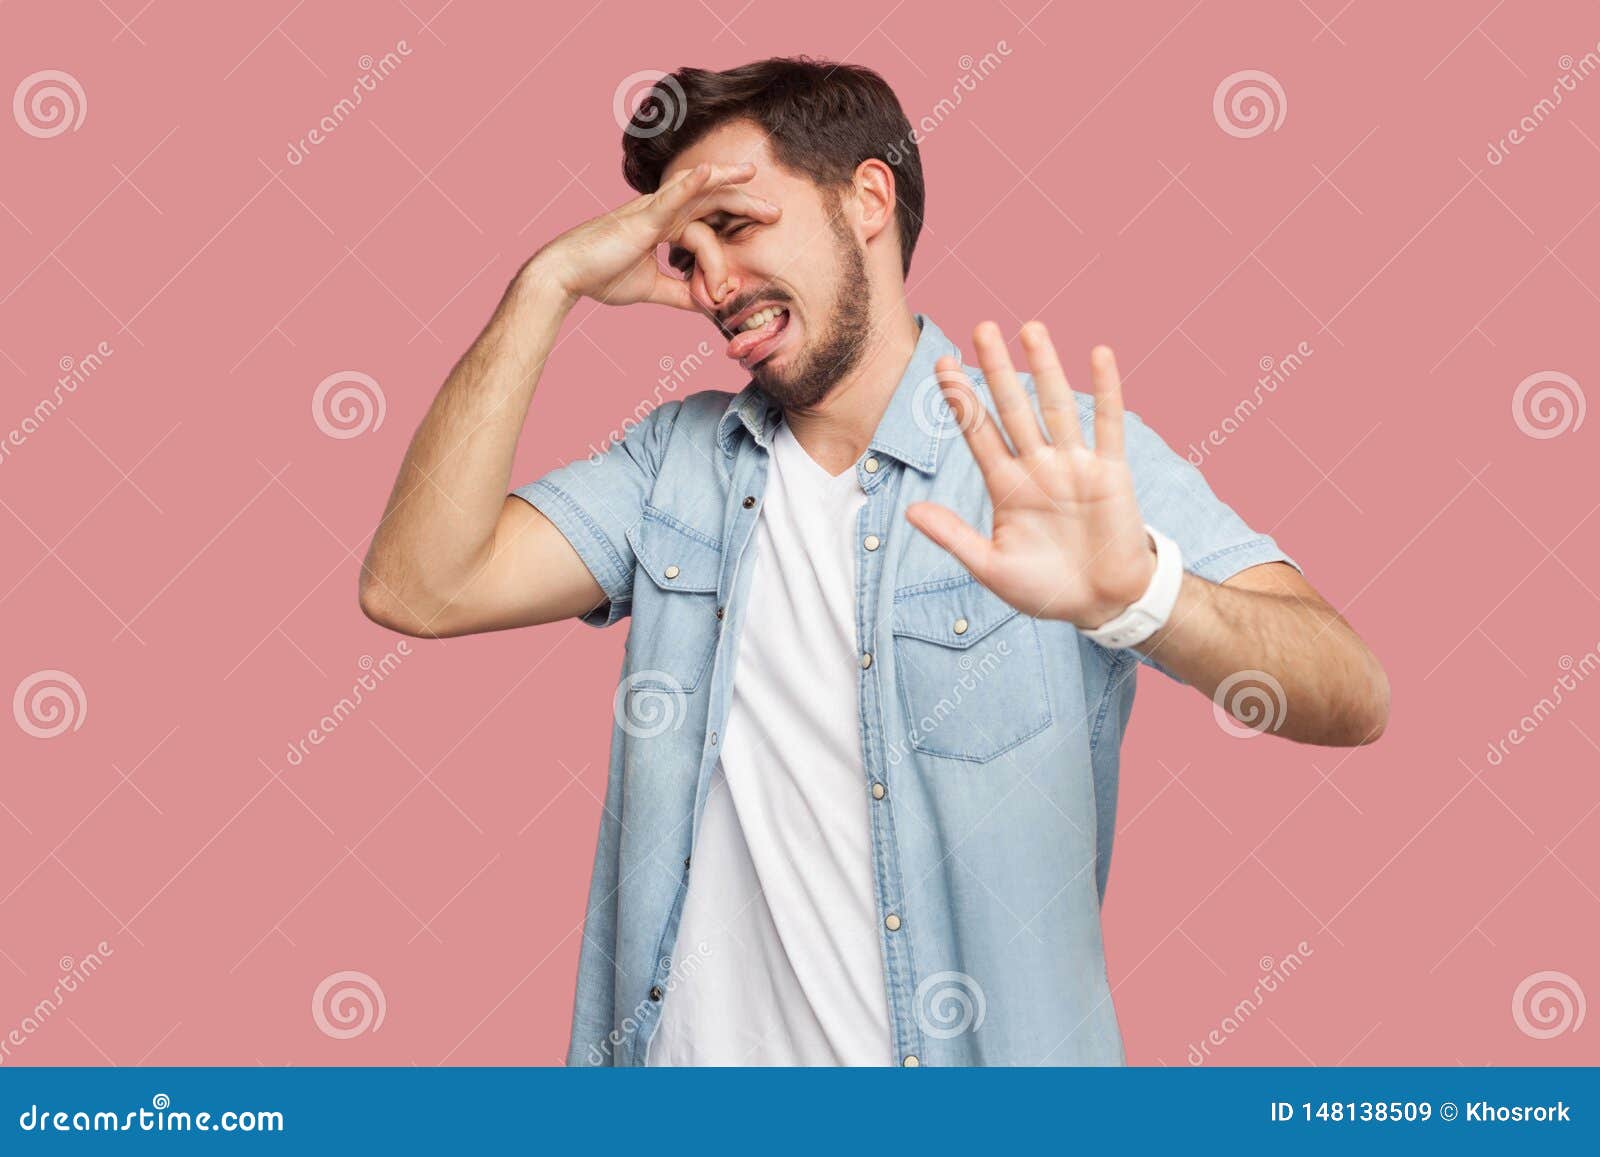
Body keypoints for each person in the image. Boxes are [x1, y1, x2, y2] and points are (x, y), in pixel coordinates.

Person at [359, 57, 1388, 1067]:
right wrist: (546, 286)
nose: (712, 284)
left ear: (865, 198)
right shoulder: (673, 464)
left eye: (734, 225)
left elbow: (1349, 693)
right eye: (683, 252)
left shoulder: (1051, 457)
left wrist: (1140, 598)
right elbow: (417, 586)